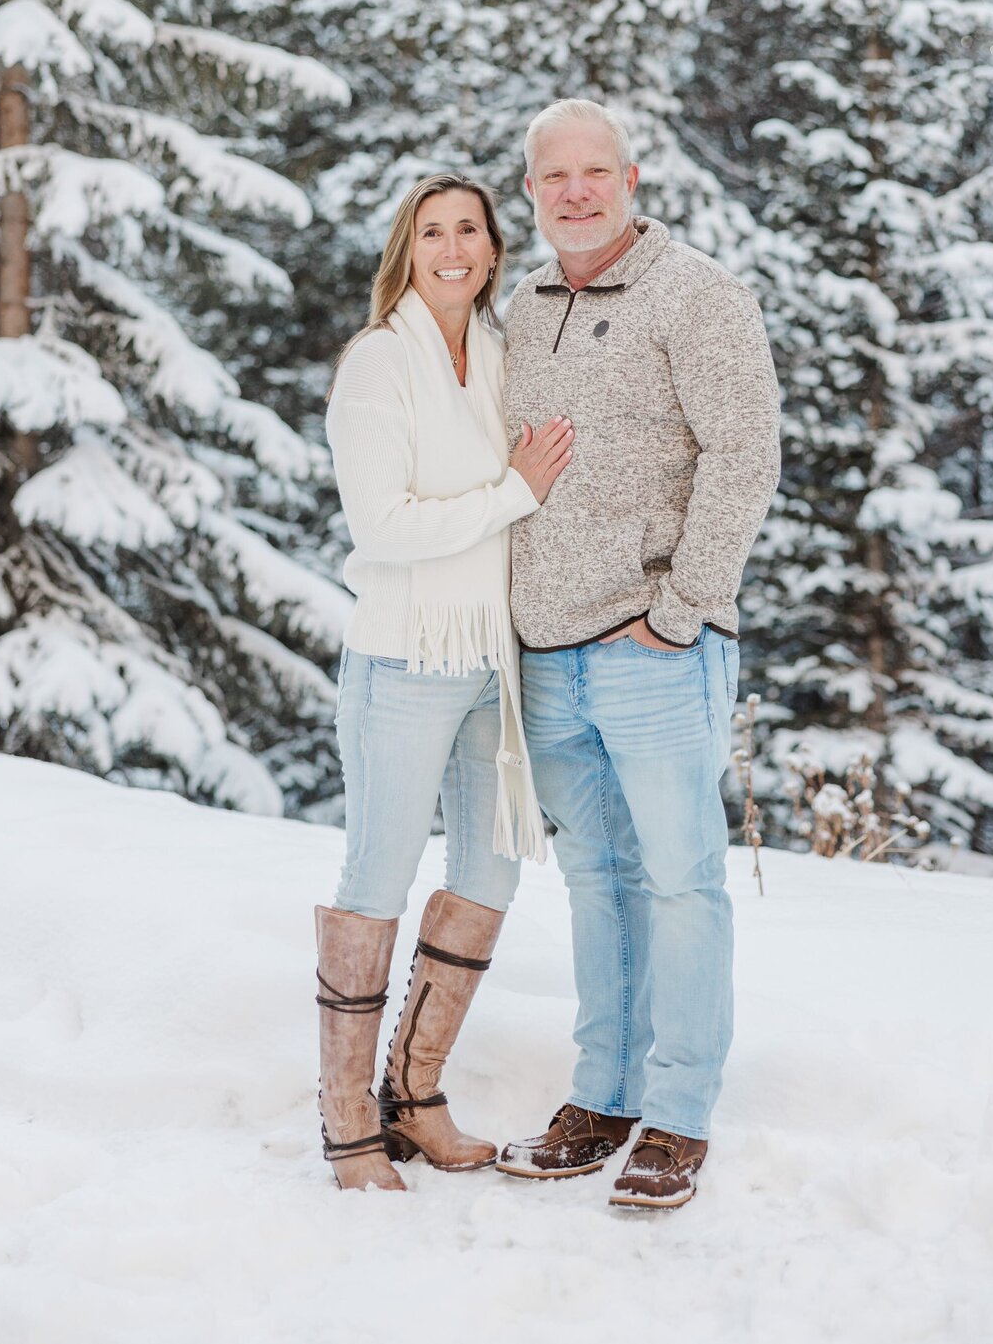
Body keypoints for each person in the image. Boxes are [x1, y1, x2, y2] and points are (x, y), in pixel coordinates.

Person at [496, 101, 781, 1209]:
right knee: (595, 880)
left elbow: (745, 451)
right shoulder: (523, 306)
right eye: (552, 175)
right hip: (548, 652)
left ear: (631, 175)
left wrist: (683, 607)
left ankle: (677, 1112)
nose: (574, 192)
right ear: (529, 188)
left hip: (655, 648)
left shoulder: (698, 294)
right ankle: (602, 1091)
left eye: (594, 171)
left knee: (680, 880)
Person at [316, 173, 573, 1192]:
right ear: (407, 249)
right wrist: (513, 490)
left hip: (491, 661)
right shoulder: (379, 364)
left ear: (496, 249)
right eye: (433, 231)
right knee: (375, 879)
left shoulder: (505, 358)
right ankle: (347, 1122)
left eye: (470, 229)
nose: (453, 246)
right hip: (405, 656)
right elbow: (382, 525)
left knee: (493, 870)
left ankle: (413, 1098)